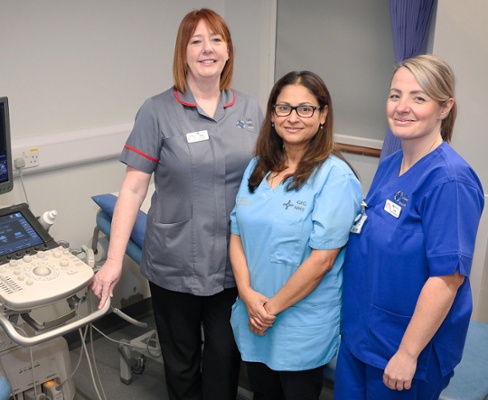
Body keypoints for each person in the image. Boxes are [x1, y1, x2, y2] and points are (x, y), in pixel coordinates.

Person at [89, 8, 263, 400]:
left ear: (228, 51)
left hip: (233, 264)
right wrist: (114, 261)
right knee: (181, 366)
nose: (207, 49)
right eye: (196, 41)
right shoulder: (157, 111)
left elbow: (266, 181)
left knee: (224, 361)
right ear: (182, 52)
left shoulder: (250, 110)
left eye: (216, 40)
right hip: (174, 263)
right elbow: (132, 190)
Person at [334, 54, 485, 400]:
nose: (402, 107)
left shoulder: (450, 181)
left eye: (418, 97)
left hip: (404, 353)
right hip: (361, 338)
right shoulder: (390, 166)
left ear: (444, 108)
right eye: (395, 95)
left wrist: (407, 353)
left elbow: (448, 278)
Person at [229, 70, 363, 400]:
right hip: (253, 315)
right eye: (283, 108)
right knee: (263, 394)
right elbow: (236, 233)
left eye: (305, 109)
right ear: (273, 115)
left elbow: (322, 260)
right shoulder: (258, 167)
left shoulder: (336, 178)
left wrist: (270, 308)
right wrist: (247, 294)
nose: (293, 117)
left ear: (322, 115)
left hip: (298, 324)